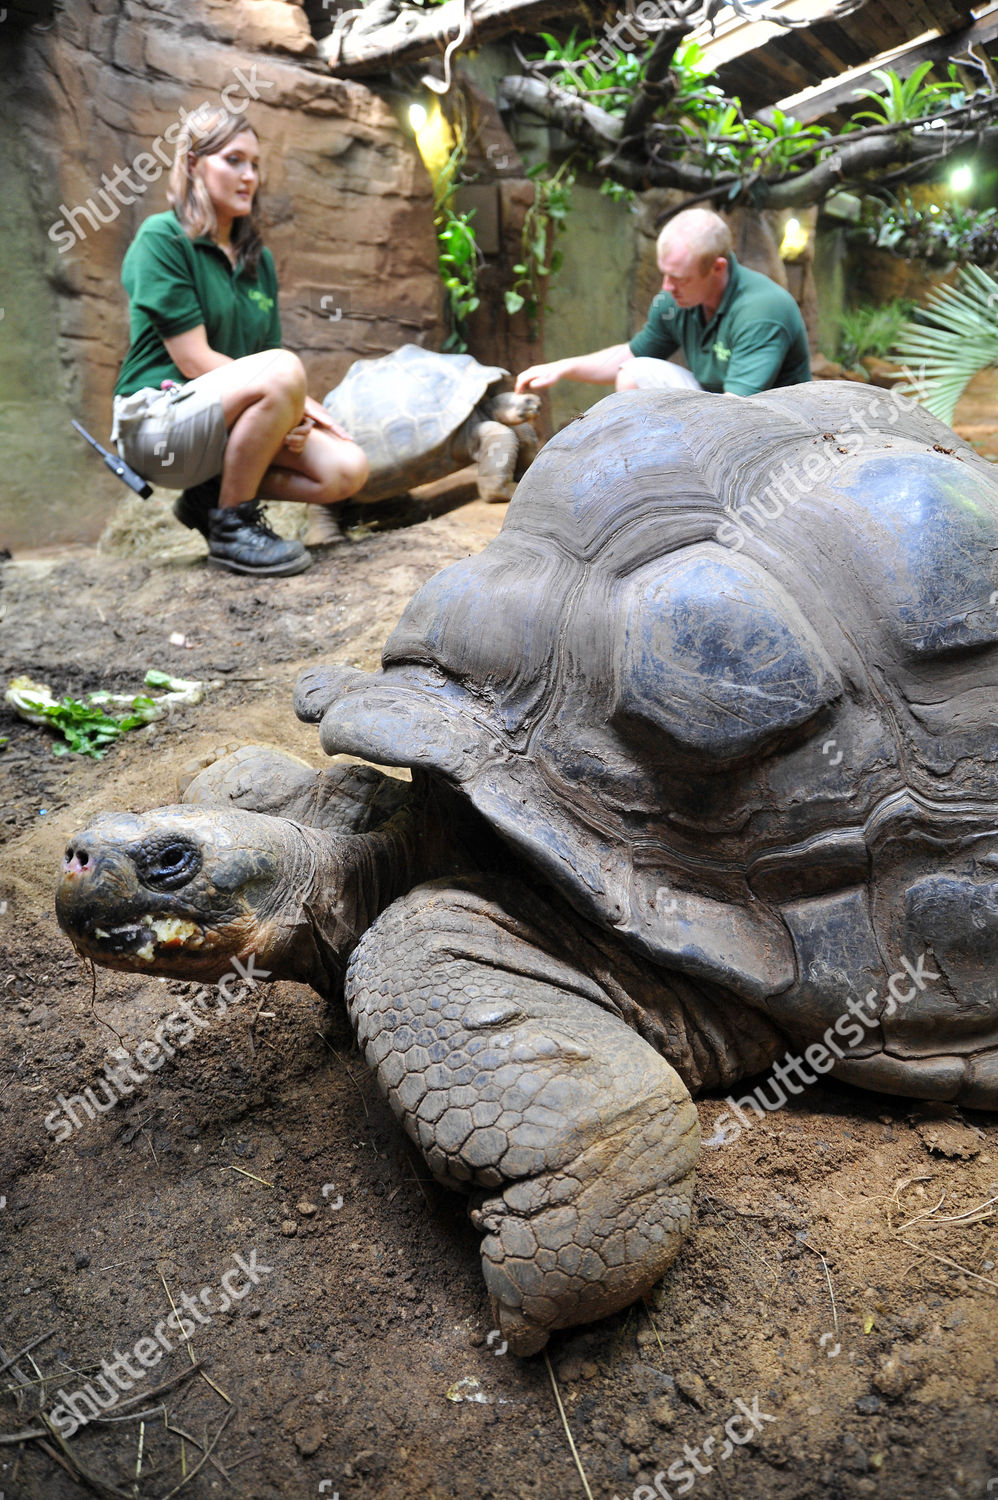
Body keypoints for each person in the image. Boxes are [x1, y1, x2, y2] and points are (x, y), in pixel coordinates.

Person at [111, 104, 369, 577]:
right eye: (233, 160)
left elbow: (260, 368)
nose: (249, 175)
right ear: (192, 163)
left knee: (348, 469)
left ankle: (207, 500)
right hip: (156, 425)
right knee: (285, 371)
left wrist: (290, 411)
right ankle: (232, 526)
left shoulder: (258, 261)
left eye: (255, 164)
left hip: (220, 424)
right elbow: (192, 361)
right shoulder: (162, 238)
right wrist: (300, 400)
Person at [515, 207, 810, 401]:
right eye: (664, 274)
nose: (666, 287)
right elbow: (630, 356)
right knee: (634, 373)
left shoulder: (762, 310)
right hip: (720, 406)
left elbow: (736, 411)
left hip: (774, 427)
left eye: (679, 278)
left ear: (717, 268)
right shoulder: (678, 300)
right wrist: (561, 368)